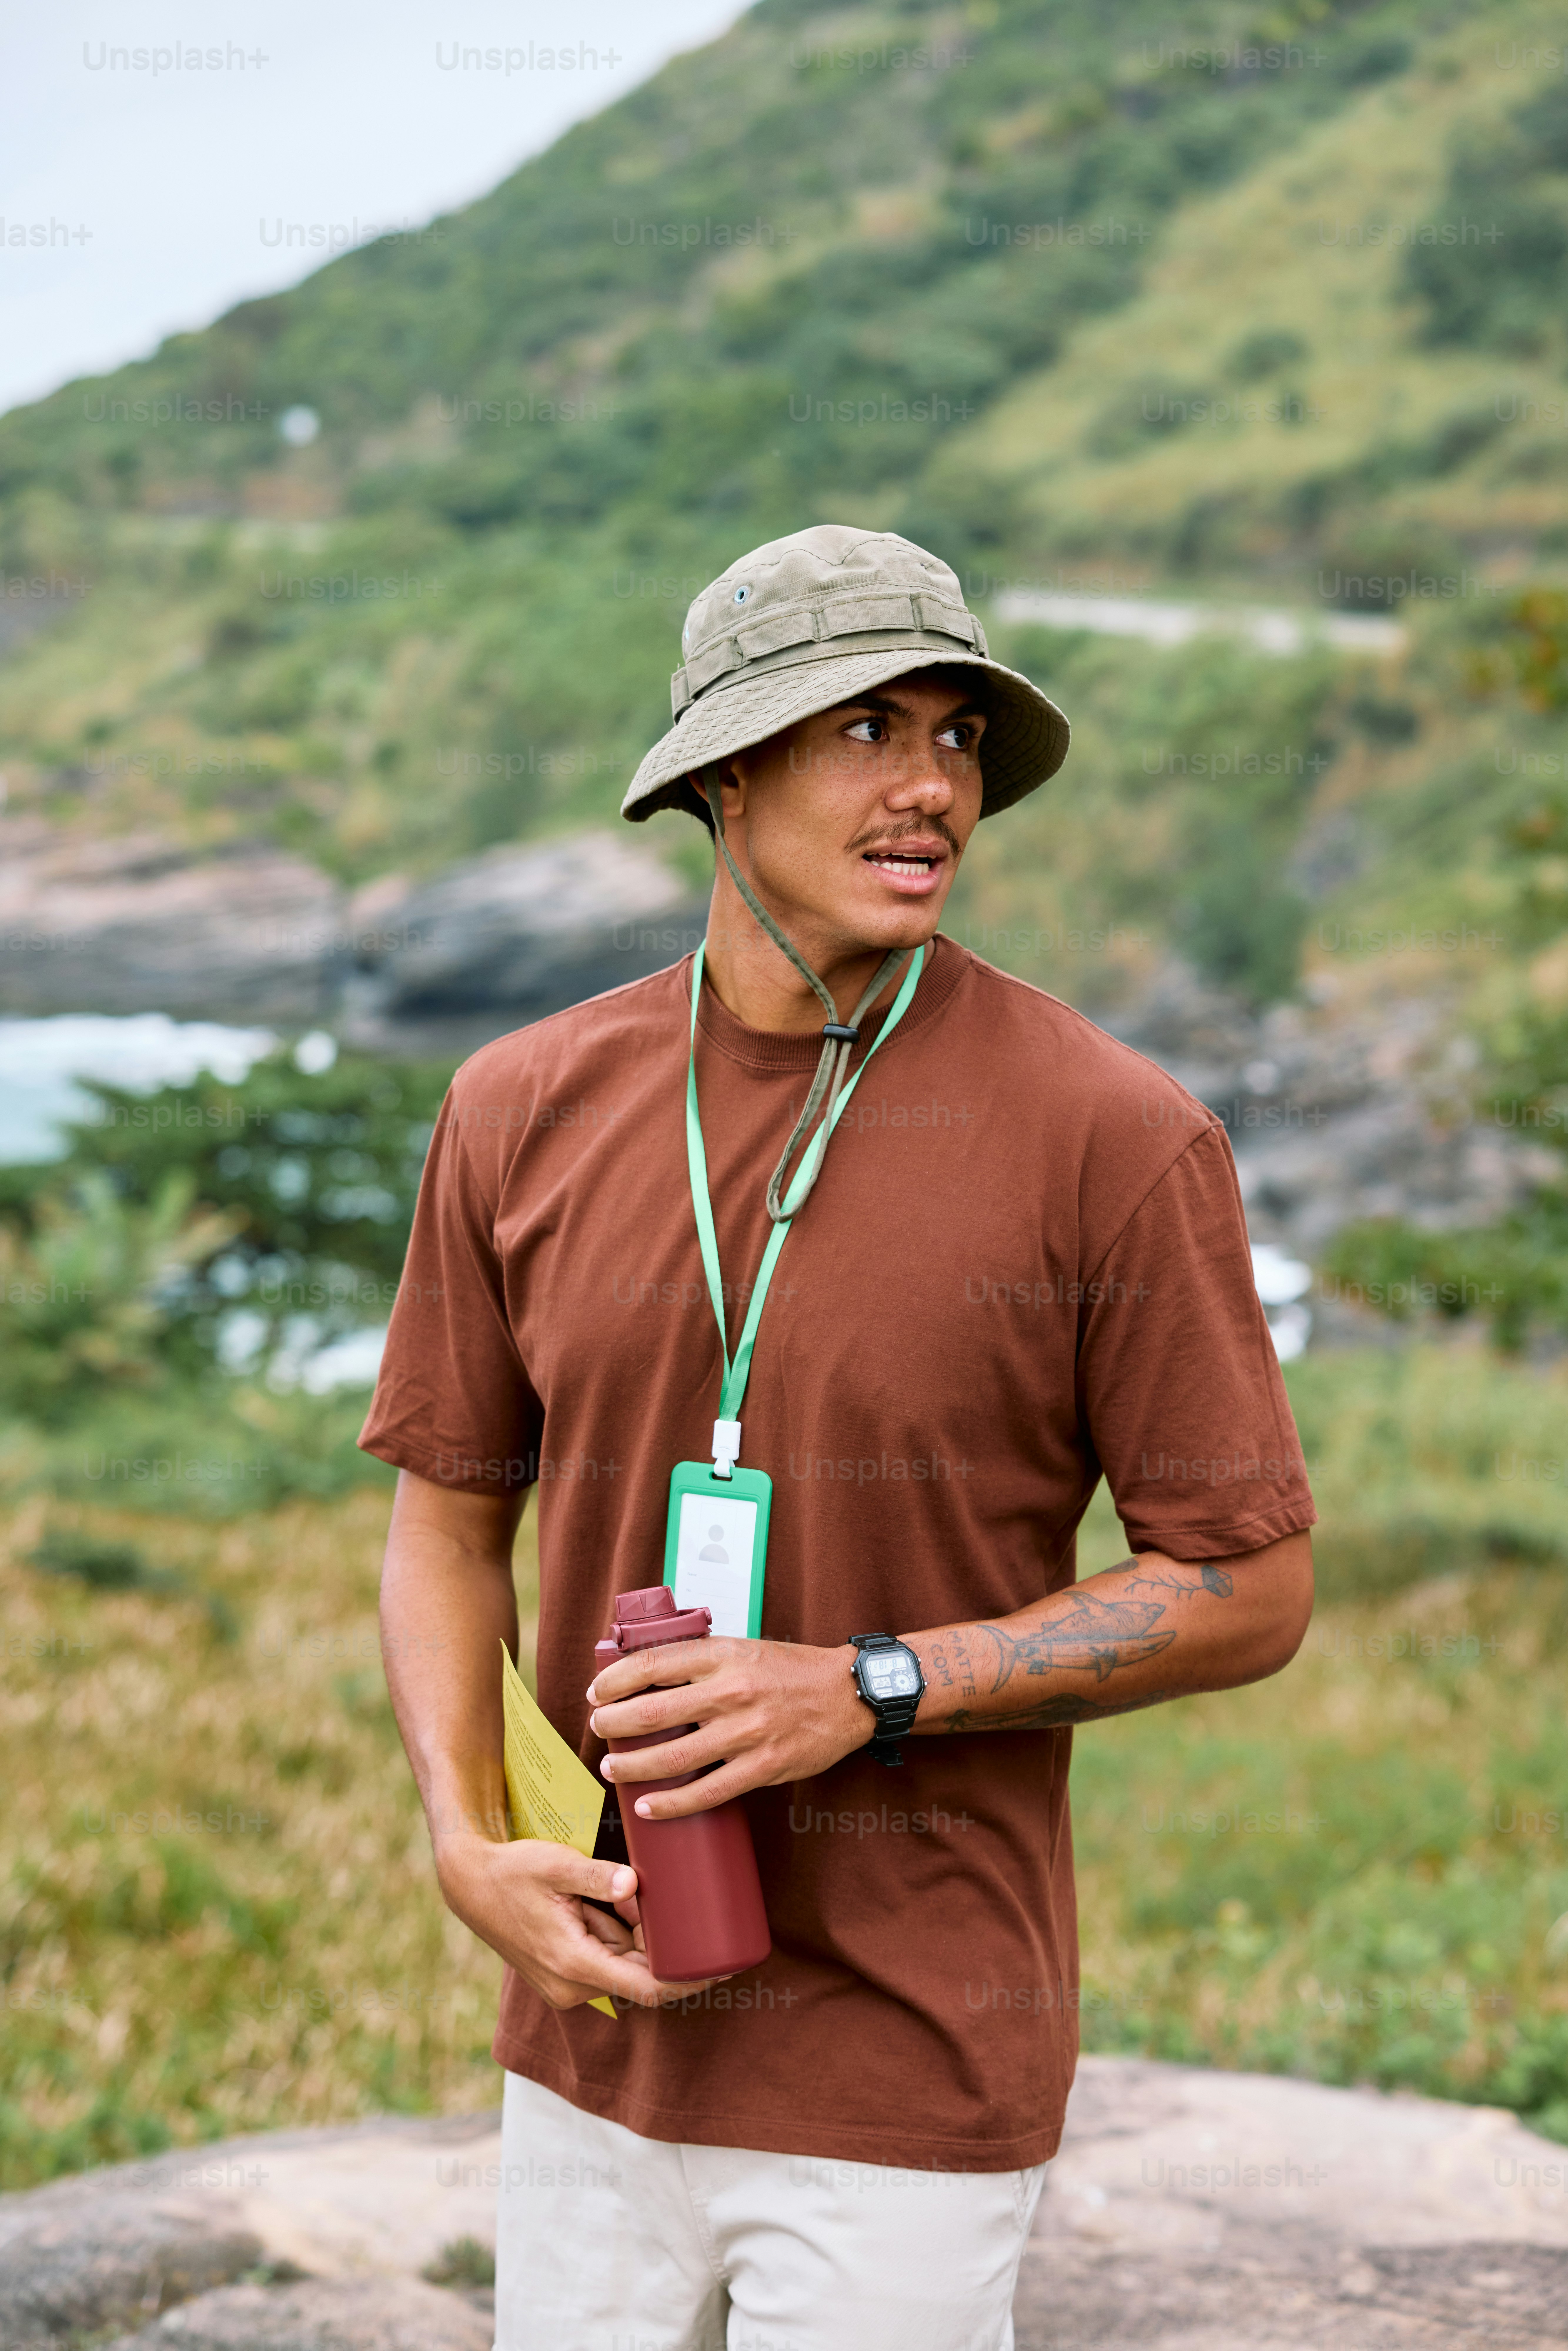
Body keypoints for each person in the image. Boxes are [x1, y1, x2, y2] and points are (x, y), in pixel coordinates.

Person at [361, 524, 1315, 2351]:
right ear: (726, 773)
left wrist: (869, 1687)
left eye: (957, 736)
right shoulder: (519, 1104)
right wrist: (467, 1845)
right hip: (596, 2031)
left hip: (910, 2065)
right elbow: (445, 1525)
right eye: (865, 727)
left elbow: (1248, 1589)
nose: (931, 787)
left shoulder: (1113, 1136)